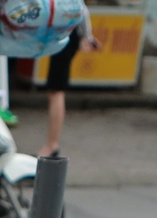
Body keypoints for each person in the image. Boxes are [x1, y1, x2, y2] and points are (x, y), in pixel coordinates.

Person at [37, 9, 99, 157]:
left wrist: (87, 36)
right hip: (64, 33)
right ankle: (51, 144)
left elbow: (81, 8)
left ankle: (52, 145)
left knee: (56, 90)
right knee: (55, 90)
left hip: (66, 34)